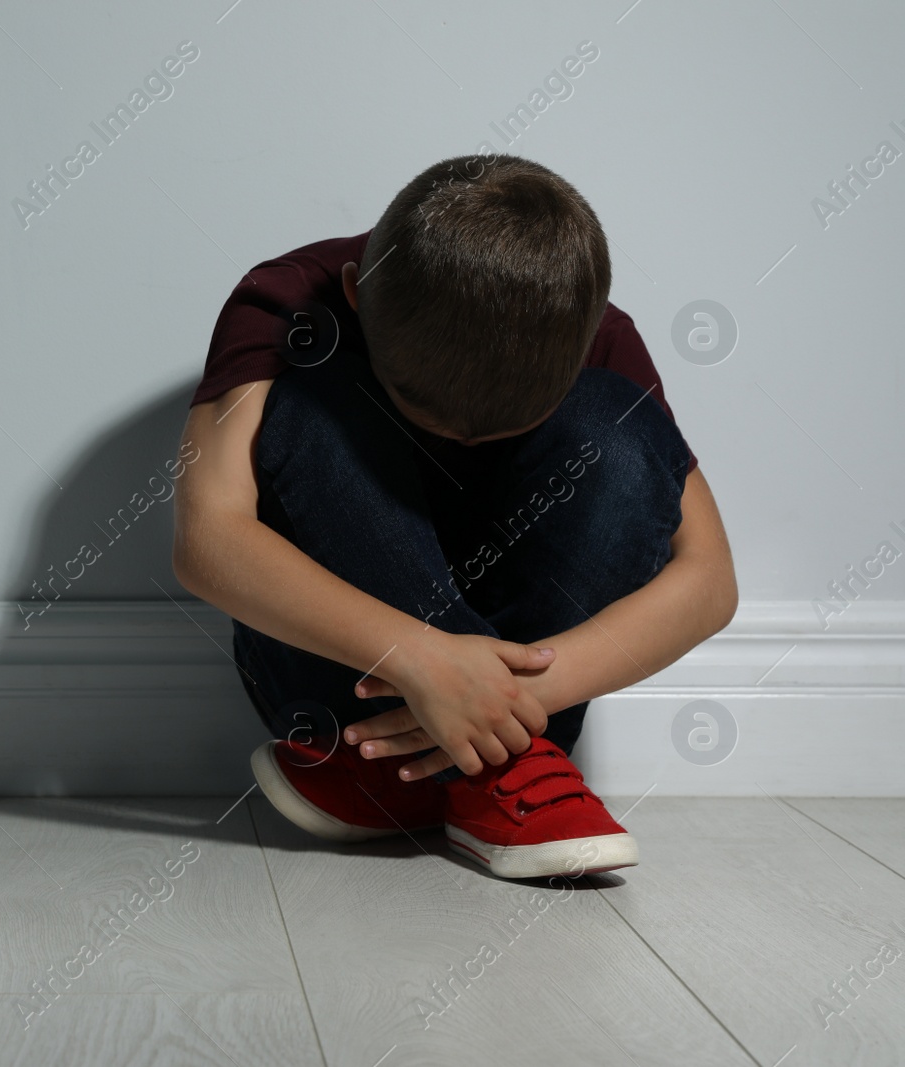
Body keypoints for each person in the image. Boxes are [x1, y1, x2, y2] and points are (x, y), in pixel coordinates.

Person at [171, 154, 737, 880]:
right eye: (429, 413)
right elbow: (208, 540)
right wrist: (423, 659)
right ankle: (495, 776)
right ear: (356, 290)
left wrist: (507, 701)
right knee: (309, 386)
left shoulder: (592, 330)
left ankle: (445, 776)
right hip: (342, 677)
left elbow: (711, 581)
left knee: (618, 429)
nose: (462, 440)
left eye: (495, 431)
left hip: (527, 695)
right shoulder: (288, 298)